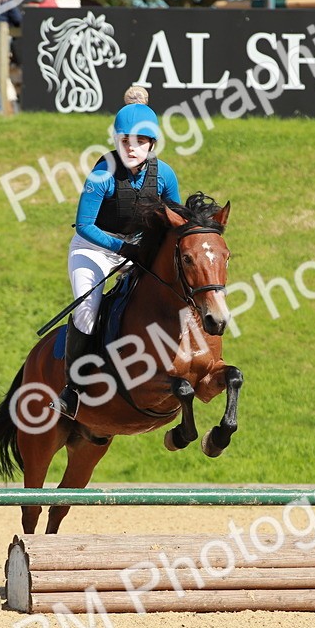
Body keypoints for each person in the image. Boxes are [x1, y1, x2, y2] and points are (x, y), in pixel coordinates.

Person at [55, 103, 182, 419]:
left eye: (140, 141)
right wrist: (122, 248)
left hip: (136, 250)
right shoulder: (101, 176)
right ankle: (72, 389)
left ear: (151, 144)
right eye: (125, 140)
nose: (131, 148)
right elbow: (84, 225)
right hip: (94, 248)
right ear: (116, 141)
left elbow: (175, 220)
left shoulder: (165, 175)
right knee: (87, 312)